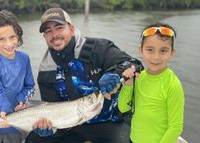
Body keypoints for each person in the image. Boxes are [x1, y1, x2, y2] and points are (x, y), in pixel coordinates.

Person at [25, 8, 143, 143]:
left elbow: (136, 64)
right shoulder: (46, 71)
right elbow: (52, 109)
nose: (54, 34)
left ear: (71, 28)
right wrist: (48, 129)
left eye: (59, 27)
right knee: (33, 140)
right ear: (44, 37)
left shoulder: (98, 48)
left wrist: (115, 73)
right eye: (48, 31)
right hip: (71, 127)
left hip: (111, 121)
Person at [118, 23, 184, 143]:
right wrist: (128, 86)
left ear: (172, 53)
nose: (156, 57)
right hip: (133, 139)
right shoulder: (138, 78)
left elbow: (175, 126)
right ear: (141, 50)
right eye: (150, 50)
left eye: (163, 50)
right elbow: (123, 108)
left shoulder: (173, 85)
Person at [0, 10, 35, 143]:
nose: (9, 44)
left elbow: (30, 86)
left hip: (17, 125)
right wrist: (6, 110)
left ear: (18, 35)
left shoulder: (24, 59)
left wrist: (21, 100)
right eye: (2, 39)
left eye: (12, 37)